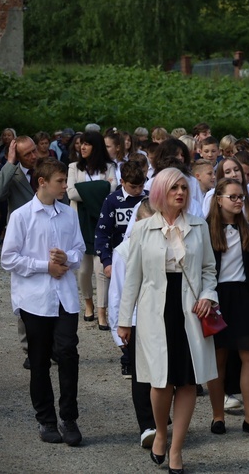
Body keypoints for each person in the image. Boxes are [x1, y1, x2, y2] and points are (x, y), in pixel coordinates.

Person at [117, 167, 218, 474]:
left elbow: (209, 270)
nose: (181, 193)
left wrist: (208, 295)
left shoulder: (199, 225)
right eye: (174, 188)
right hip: (154, 312)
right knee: (160, 382)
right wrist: (124, 320)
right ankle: (161, 431)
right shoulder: (142, 228)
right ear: (161, 192)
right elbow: (132, 278)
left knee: (187, 381)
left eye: (184, 188)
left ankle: (176, 449)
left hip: (191, 309)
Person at [0, 157, 86, 446]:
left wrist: (67, 258)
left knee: (68, 353)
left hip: (65, 298)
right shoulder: (22, 216)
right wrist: (44, 266)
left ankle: (69, 417)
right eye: (60, 181)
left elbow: (78, 249)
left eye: (65, 180)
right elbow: (8, 257)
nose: (65, 186)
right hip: (35, 299)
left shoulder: (68, 214)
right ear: (42, 182)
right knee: (39, 360)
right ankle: (46, 420)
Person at [206, 178, 249, 437]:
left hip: (244, 297)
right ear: (219, 199)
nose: (238, 201)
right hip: (216, 297)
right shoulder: (205, 230)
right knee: (218, 358)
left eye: (241, 197)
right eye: (232, 197)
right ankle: (217, 416)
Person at [108, 198, 157, 447]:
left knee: (163, 371)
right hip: (137, 320)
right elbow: (116, 292)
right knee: (141, 375)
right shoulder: (124, 251)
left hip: (161, 316)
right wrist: (119, 329)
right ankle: (147, 424)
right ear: (136, 222)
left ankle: (160, 416)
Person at [95, 160, 148, 376]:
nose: (137, 190)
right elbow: (102, 233)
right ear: (122, 182)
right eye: (132, 186)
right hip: (119, 261)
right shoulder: (112, 201)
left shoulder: (149, 199)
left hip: (143, 258)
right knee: (120, 303)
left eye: (140, 185)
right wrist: (107, 262)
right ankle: (126, 353)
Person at [0, 135, 41, 366]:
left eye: (34, 151)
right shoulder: (13, 173)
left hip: (46, 236)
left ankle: (48, 346)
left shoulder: (45, 167)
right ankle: (29, 348)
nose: (34, 156)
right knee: (25, 294)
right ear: (17, 155)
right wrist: (10, 163)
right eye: (27, 154)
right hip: (22, 241)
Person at [67, 131, 118, 328]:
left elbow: (113, 191)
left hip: (102, 221)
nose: (83, 147)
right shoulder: (73, 167)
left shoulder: (110, 166)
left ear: (96, 146)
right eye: (81, 144)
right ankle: (88, 303)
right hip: (80, 220)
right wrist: (102, 186)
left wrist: (87, 190)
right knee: (83, 270)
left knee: (101, 269)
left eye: (87, 144)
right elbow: (71, 193)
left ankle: (102, 312)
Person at [0, 128, 18, 244]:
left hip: (14, 179)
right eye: (5, 135)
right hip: (0, 177)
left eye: (9, 135)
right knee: (0, 209)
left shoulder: (17, 148)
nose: (7, 137)